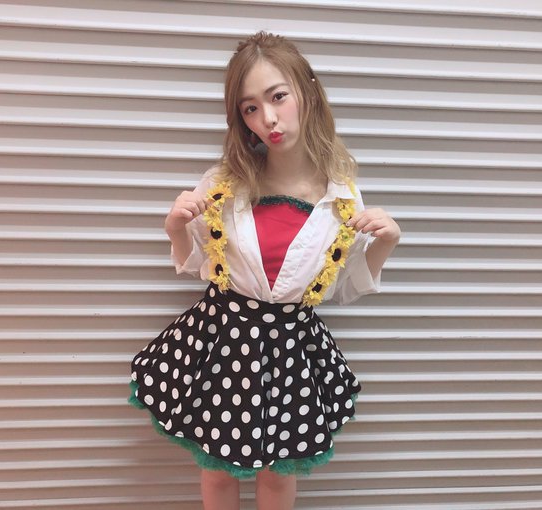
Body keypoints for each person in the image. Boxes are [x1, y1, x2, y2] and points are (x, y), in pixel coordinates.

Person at [129, 31, 400, 510]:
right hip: (223, 341)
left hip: (292, 348)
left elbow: (341, 288)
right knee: (217, 468)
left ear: (307, 92)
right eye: (250, 108)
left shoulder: (341, 197)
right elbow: (200, 264)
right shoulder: (224, 183)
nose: (268, 119)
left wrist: (386, 243)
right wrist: (176, 229)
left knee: (278, 475)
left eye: (278, 97)